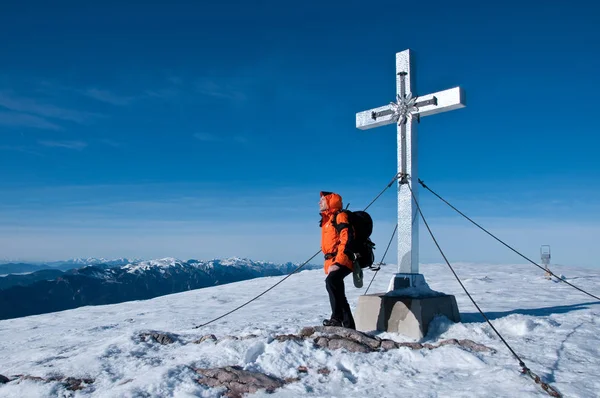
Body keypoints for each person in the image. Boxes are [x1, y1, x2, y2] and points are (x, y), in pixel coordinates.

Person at [319, 191, 356, 329]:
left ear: (329, 202)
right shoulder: (327, 219)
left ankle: (336, 318)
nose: (319, 202)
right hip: (333, 259)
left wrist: (339, 262)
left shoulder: (340, 216)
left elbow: (346, 239)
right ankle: (349, 326)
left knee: (331, 282)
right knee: (338, 290)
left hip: (342, 258)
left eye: (322, 200)